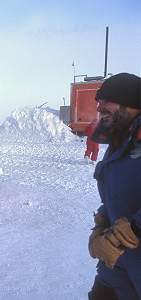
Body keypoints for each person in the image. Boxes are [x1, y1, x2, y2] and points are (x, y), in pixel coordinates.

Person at [87, 73, 141, 300]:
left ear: (131, 102)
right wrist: (103, 219)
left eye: (107, 100)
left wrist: (131, 231)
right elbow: (120, 193)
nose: (99, 107)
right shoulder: (119, 141)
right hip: (118, 262)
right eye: (98, 102)